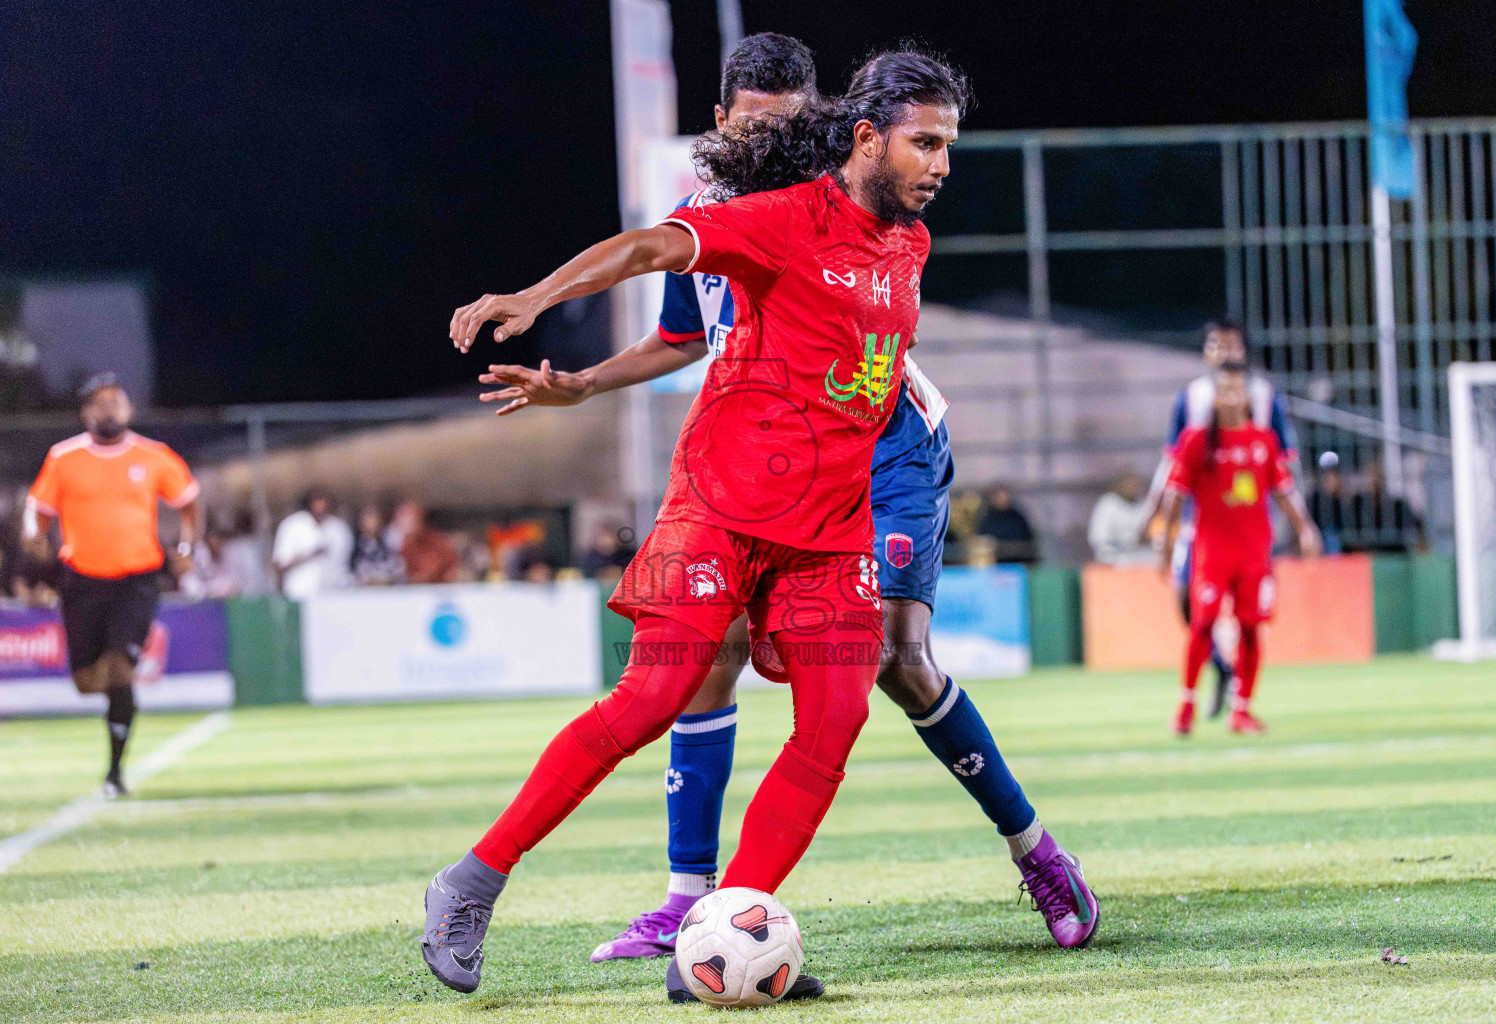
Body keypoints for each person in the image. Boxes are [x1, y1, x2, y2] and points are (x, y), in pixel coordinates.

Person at [421, 49, 1074, 1002]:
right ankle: (470, 882)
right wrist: (534, 301)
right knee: (653, 699)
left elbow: (860, 375)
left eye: (949, 147)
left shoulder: (911, 246)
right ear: (867, 139)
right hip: (721, 509)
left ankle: (723, 940)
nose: (942, 165)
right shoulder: (779, 222)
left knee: (840, 715)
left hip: (831, 526)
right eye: (926, 144)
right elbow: (650, 247)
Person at [23, 373, 200, 797]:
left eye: (116, 400)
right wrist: (34, 533)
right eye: (99, 403)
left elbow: (189, 502)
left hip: (137, 580)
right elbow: (37, 507)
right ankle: (118, 708)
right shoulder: (63, 457)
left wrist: (188, 546)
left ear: (129, 408)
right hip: (82, 580)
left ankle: (114, 772)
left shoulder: (154, 456)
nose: (109, 408)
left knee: (120, 667)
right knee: (88, 680)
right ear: (85, 413)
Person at [1140, 317, 1299, 719]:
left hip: (1250, 528)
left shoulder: (1265, 398)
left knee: (1247, 621)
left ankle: (1237, 692)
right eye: (1216, 344)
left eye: (1231, 345)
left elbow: (1284, 466)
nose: (1224, 352)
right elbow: (1170, 465)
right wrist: (1153, 515)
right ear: (1206, 351)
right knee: (1189, 608)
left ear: (1243, 351)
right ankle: (1219, 669)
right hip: (1201, 527)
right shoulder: (1190, 400)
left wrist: (1300, 522)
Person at [1159, 362, 1322, 737]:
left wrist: (1305, 528)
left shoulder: (1263, 442)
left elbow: (1284, 492)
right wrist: (1166, 542)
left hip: (1254, 554)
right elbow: (1174, 493)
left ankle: (1242, 710)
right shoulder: (1196, 442)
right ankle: (1186, 706)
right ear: (1213, 399)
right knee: (1202, 625)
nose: (1231, 397)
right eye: (1223, 390)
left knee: (1251, 629)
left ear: (1247, 396)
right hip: (1211, 554)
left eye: (1237, 389)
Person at [272, 490, 348, 600]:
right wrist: (308, 555)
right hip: (299, 594)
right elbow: (279, 564)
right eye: (317, 501)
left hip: (332, 594)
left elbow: (343, 564)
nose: (321, 506)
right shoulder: (293, 525)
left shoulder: (338, 528)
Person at [1088, 471, 1157, 565]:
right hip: (1114, 554)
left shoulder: (1145, 505)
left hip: (1138, 553)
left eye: (1135, 485)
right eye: (1128, 484)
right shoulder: (1108, 503)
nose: (1132, 487)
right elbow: (1099, 537)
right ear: (1119, 485)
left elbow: (1152, 533)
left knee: (1155, 560)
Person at [394, 501, 460, 584]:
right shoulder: (402, 547)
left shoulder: (439, 542)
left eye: (411, 521)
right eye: (402, 522)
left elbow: (452, 568)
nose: (406, 526)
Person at [974, 484, 1039, 564]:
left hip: (1018, 561)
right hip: (996, 563)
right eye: (1000, 496)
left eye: (1005, 495)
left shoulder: (1018, 517)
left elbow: (1027, 539)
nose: (1003, 499)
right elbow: (982, 539)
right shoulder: (987, 519)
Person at [351, 504, 404, 585]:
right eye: (369, 517)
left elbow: (398, 569)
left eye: (375, 517)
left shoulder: (389, 544)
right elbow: (351, 572)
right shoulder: (354, 547)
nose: (373, 522)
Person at [1307, 452, 1347, 555]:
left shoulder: (1342, 494)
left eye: (1333, 474)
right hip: (1320, 535)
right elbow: (1312, 520)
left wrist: (1338, 496)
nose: (1330, 478)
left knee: (1332, 536)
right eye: (1327, 474)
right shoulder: (1314, 496)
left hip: (1337, 535)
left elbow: (1344, 521)